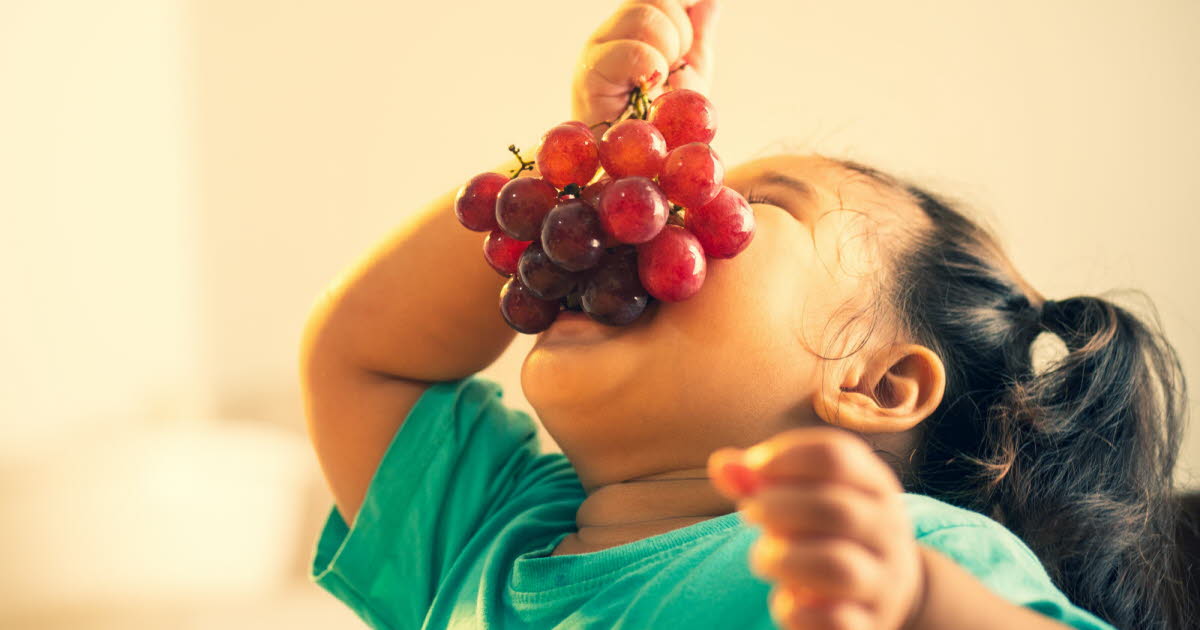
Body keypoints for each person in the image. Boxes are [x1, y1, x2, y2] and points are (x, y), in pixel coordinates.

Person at [300, 1, 1194, 628]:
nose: (658, 206)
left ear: (879, 383)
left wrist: (923, 602)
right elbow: (362, 356)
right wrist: (591, 162)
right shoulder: (488, 532)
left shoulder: (894, 554)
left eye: (752, 206)